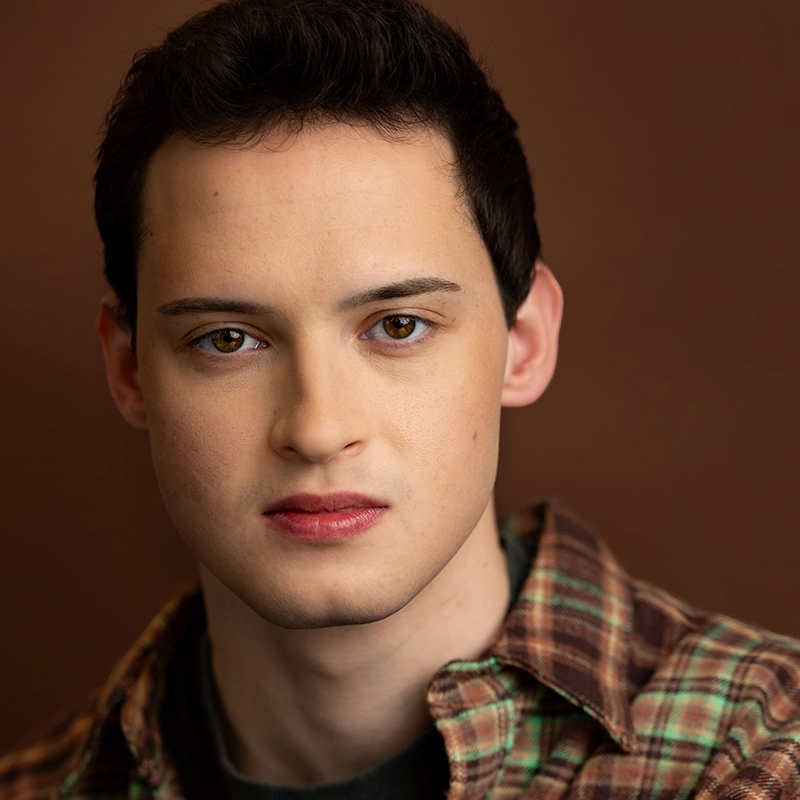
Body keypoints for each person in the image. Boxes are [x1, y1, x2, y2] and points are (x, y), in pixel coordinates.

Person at [2, 0, 799, 798]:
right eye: (228, 339)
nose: (318, 428)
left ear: (523, 343)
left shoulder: (768, 753)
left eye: (399, 325)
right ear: (129, 369)